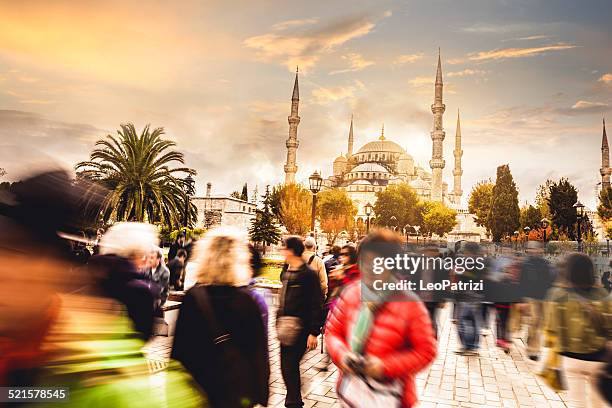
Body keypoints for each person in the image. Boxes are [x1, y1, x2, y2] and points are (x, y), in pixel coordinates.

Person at [325, 230, 437, 408]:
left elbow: (426, 351)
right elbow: (332, 332)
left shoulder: (410, 304)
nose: (369, 269)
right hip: (351, 392)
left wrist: (384, 366)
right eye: (365, 262)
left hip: (390, 398)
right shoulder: (352, 292)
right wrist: (342, 355)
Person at [172, 226, 269, 408]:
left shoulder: (193, 298)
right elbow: (258, 356)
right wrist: (261, 397)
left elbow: (179, 354)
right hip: (236, 395)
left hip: (200, 392)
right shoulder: (248, 301)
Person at [544, 253, 611, 408]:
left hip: (571, 358)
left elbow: (551, 327)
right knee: (598, 403)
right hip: (598, 358)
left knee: (577, 403)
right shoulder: (602, 294)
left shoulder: (557, 294)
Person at [277, 236, 323, 408]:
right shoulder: (287, 271)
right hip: (285, 329)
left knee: (289, 366)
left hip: (300, 329)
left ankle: (294, 403)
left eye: (284, 248)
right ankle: (294, 399)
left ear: (291, 251)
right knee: (287, 367)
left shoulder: (308, 275)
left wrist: (313, 332)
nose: (282, 251)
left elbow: (316, 303)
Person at [520, 240, 556, 360]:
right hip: (530, 298)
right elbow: (521, 282)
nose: (533, 251)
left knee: (540, 324)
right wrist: (522, 300)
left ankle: (532, 341)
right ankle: (533, 351)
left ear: (541, 250)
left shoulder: (547, 264)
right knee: (534, 322)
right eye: (531, 249)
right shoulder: (525, 264)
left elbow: (551, 281)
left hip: (544, 298)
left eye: (536, 249)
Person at [454, 242, 486, 355]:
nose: (465, 253)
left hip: (472, 296)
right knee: (469, 321)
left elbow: (475, 277)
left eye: (466, 251)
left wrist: (462, 272)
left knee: (466, 320)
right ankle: (469, 346)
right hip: (467, 295)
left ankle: (470, 346)